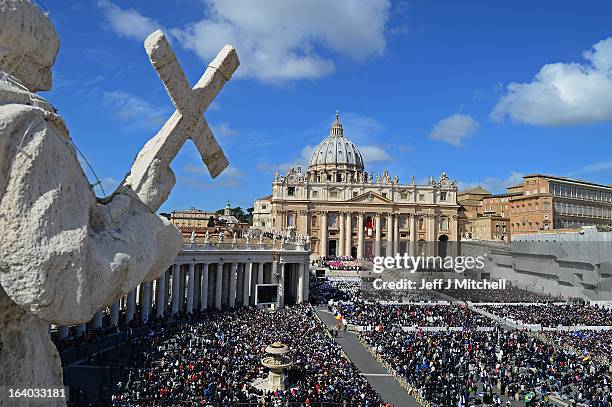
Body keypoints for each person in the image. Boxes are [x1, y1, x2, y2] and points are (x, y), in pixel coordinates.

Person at [0, 1, 181, 401]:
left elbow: (67, 223)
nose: (45, 84)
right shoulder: (24, 127)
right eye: (41, 66)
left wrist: (131, 201)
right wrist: (152, 234)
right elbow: (62, 282)